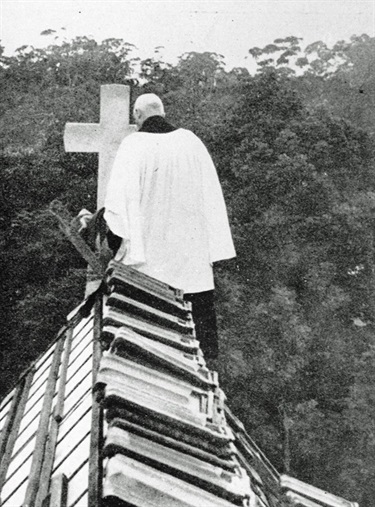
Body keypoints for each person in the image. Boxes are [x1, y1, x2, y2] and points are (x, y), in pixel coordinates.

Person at [104, 93, 235, 358]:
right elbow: (212, 198)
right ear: (162, 112)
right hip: (191, 261)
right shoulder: (192, 142)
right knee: (198, 349)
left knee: (152, 347)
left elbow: (117, 208)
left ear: (138, 116)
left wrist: (116, 246)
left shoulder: (133, 145)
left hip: (149, 265)